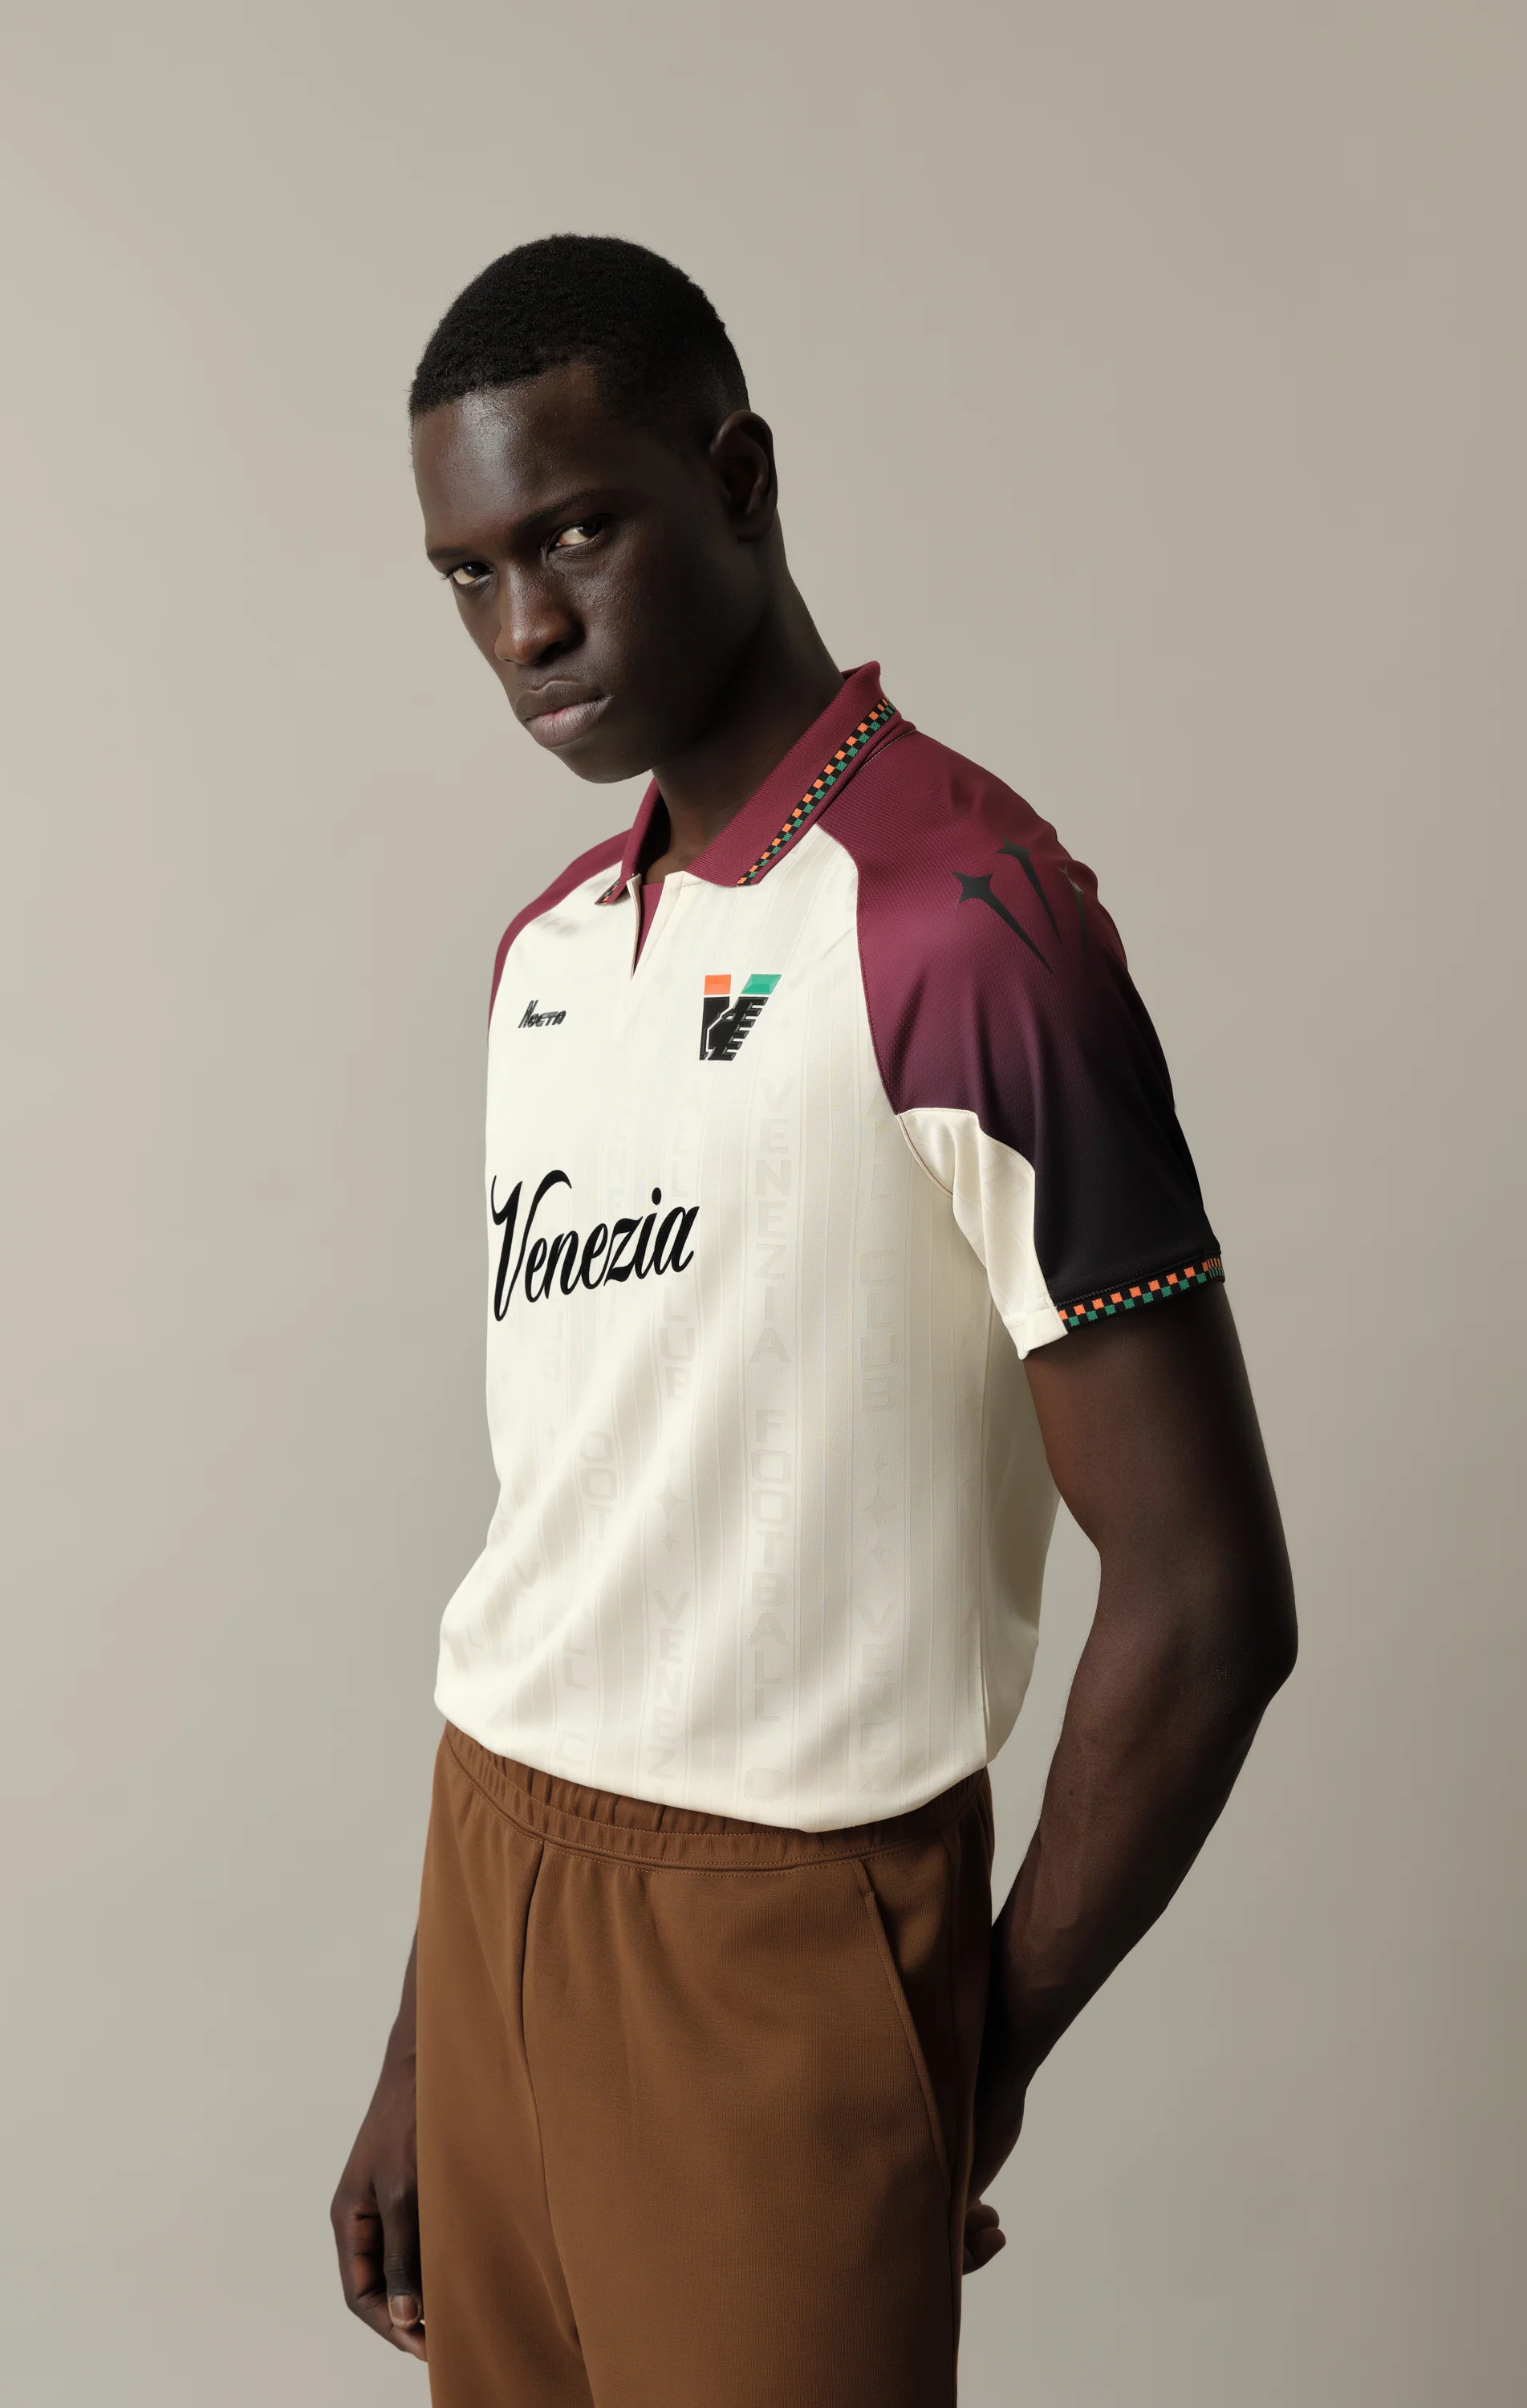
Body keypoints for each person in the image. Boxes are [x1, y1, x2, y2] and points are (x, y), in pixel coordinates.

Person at [330, 234, 1296, 2408]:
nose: (526, 627)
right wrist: (427, 2040)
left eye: (576, 534)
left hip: (785, 1938)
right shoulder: (549, 956)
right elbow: (569, 1546)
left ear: (742, 478)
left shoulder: (965, 932)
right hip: (492, 1874)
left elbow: (1208, 1598)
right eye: (470, 575)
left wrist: (958, 2053)